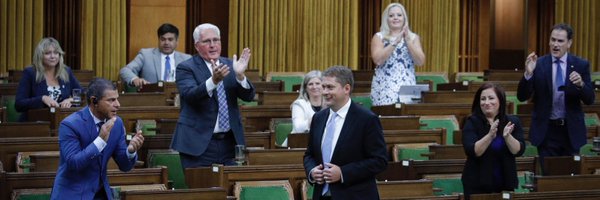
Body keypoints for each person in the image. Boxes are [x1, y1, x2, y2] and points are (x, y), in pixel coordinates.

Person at [170, 23, 254, 168]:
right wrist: (213, 81)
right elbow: (190, 95)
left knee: (231, 188)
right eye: (207, 41)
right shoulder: (186, 67)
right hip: (198, 145)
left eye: (216, 40)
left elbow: (249, 97)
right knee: (201, 189)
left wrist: (240, 76)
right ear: (197, 46)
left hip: (229, 143)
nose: (213, 45)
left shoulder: (231, 65)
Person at [517, 23, 595, 172]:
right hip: (546, 132)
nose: (555, 45)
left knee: (569, 178)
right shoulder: (538, 64)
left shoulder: (580, 65)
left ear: (569, 43)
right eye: (553, 40)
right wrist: (528, 74)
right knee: (548, 177)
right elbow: (522, 96)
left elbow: (590, 99)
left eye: (560, 41)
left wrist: (581, 85)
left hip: (570, 131)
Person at [51, 78, 145, 200]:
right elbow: (74, 163)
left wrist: (131, 151)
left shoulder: (116, 124)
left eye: (117, 99)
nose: (117, 104)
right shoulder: (70, 125)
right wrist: (100, 141)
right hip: (72, 193)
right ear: (94, 101)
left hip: (101, 194)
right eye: (111, 100)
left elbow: (124, 166)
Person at [303, 66, 388, 200]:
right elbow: (309, 155)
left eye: (330, 87)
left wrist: (343, 173)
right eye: (323, 87)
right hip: (322, 195)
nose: (324, 92)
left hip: (355, 195)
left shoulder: (366, 119)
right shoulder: (318, 118)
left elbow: (379, 160)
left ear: (346, 89)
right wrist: (312, 171)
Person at [461, 83, 525, 199]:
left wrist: (507, 137)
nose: (486, 102)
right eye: (483, 99)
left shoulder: (512, 121)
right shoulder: (471, 122)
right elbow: (473, 151)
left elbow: (518, 151)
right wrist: (490, 135)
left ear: (500, 100)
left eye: (491, 98)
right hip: (477, 184)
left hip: (505, 184)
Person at [370, 3, 425, 106]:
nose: (395, 18)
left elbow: (420, 61)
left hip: (407, 87)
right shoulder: (379, 37)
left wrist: (408, 41)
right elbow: (378, 60)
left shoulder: (413, 38)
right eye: (391, 16)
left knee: (407, 120)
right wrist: (394, 43)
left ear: (404, 18)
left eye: (399, 15)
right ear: (386, 19)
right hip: (384, 87)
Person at [15, 37, 82, 121]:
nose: (53, 56)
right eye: (48, 53)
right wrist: (42, 99)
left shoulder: (66, 72)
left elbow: (82, 94)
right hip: (36, 124)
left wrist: (72, 100)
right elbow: (19, 104)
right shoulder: (30, 73)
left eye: (56, 53)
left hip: (61, 122)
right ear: (40, 55)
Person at [120, 23, 192, 88]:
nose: (166, 43)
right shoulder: (146, 55)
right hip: (152, 99)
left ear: (177, 41)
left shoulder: (186, 59)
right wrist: (135, 79)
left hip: (179, 99)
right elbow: (125, 70)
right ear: (158, 40)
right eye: (163, 39)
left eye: (170, 39)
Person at [286, 70, 324, 146]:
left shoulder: (329, 104)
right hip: (298, 144)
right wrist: (316, 119)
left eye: (317, 83)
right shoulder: (299, 104)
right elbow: (298, 128)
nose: (314, 87)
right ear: (305, 88)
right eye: (310, 84)